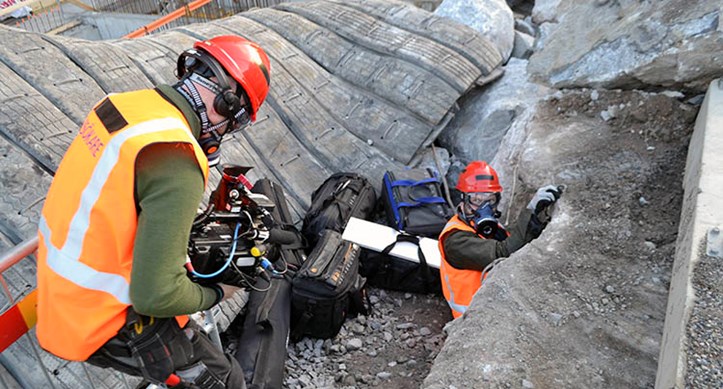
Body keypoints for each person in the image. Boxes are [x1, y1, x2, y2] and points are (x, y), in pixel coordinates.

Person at [36, 35, 271, 388]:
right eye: (234, 123)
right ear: (226, 103)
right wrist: (220, 292)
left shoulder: (124, 105)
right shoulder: (177, 155)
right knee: (227, 381)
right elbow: (156, 295)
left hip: (60, 300)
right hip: (104, 319)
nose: (226, 133)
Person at [438, 161, 562, 319]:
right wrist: (530, 211)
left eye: (490, 200)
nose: (484, 207)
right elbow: (503, 252)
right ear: (463, 200)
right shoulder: (455, 240)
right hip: (475, 319)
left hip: (496, 303)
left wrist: (536, 222)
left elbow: (512, 240)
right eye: (476, 200)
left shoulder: (485, 228)